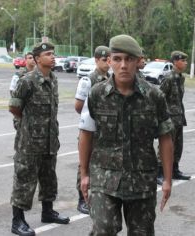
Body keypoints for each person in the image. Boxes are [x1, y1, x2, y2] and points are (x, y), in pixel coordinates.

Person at [78, 34, 175, 235]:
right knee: (104, 229)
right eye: (117, 59)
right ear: (110, 61)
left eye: (129, 59)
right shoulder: (97, 94)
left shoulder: (154, 96)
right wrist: (85, 174)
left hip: (142, 182)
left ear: (138, 62)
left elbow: (166, 138)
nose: (123, 65)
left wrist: (167, 179)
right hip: (104, 180)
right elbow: (86, 134)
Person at [9, 42, 70, 236]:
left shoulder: (53, 79)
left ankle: (48, 211)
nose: (53, 57)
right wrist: (29, 126)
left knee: (48, 178)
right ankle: (17, 221)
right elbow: (14, 108)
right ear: (37, 59)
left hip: (50, 139)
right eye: (48, 54)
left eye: (53, 54)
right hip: (30, 142)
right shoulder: (27, 81)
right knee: (24, 180)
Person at [74, 45, 111, 214]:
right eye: (104, 59)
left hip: (106, 131)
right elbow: (78, 106)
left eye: (109, 59)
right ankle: (82, 199)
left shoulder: (111, 79)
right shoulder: (88, 80)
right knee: (85, 162)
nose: (107, 62)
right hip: (90, 129)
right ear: (96, 60)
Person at [159, 51, 191, 180]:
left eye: (185, 61)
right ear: (175, 62)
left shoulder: (180, 78)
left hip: (179, 117)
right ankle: (160, 172)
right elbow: (160, 97)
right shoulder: (168, 78)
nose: (185, 63)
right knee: (166, 145)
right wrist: (162, 116)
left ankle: (174, 169)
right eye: (183, 60)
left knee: (178, 145)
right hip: (169, 118)